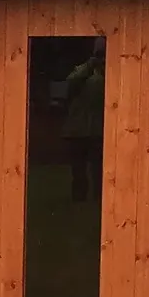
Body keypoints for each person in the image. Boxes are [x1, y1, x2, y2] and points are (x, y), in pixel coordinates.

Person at [62, 39, 105, 202]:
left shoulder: (107, 74)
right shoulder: (82, 72)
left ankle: (99, 197)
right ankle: (79, 198)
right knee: (79, 170)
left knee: (98, 169)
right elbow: (72, 81)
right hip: (78, 129)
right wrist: (90, 65)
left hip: (96, 129)